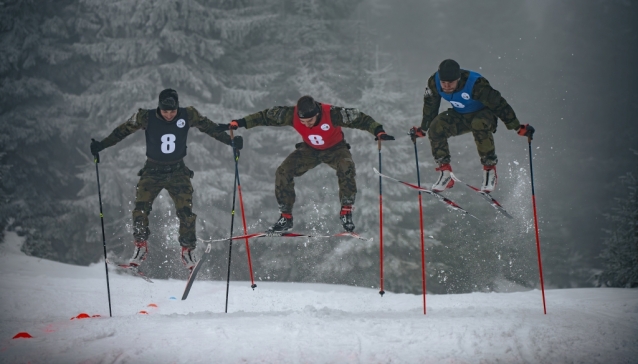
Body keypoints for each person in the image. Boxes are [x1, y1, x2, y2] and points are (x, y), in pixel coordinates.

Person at [90, 89, 242, 271]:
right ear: (158, 108)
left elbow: (209, 127)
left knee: (185, 211)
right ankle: (140, 246)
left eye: (172, 111)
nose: (169, 115)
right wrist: (101, 145)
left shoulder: (188, 114)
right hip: (152, 171)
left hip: (177, 171)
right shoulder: (145, 117)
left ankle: (187, 250)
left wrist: (230, 142)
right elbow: (121, 131)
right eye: (165, 111)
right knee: (140, 208)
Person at [221, 95, 394, 233]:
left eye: (310, 121)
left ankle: (346, 211)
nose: (307, 124)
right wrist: (241, 122)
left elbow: (360, 118)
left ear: (317, 113)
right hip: (309, 150)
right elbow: (266, 116)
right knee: (283, 171)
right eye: (303, 122)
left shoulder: (332, 113)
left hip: (336, 149)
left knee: (346, 166)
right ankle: (285, 217)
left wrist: (378, 130)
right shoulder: (291, 114)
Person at [410, 59, 535, 193]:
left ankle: (489, 170)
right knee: (436, 127)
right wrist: (423, 129)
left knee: (478, 123)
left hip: (485, 115)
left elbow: (498, 104)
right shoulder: (434, 82)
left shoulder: (476, 84)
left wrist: (516, 127)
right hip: (460, 116)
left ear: (458, 78)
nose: (446, 86)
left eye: (450, 83)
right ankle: (445, 173)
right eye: (444, 83)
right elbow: (430, 107)